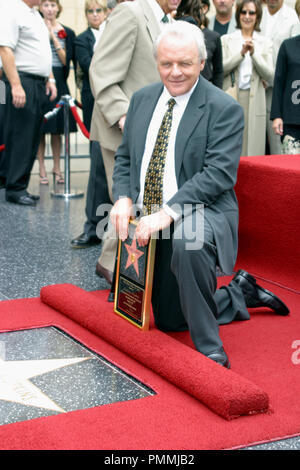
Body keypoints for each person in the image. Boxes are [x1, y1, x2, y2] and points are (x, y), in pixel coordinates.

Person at [109, 21, 289, 367]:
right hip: (151, 215)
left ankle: (209, 345)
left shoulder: (223, 108)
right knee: (171, 319)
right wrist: (122, 197)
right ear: (156, 61)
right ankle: (238, 293)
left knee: (187, 241)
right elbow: (126, 157)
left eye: (185, 64)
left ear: (202, 62)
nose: (175, 72)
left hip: (202, 210)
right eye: (166, 63)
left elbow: (218, 175)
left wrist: (169, 212)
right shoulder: (142, 99)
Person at [89, 0, 182, 286]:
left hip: (152, 131)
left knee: (132, 201)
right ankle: (112, 265)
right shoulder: (130, 13)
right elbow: (101, 70)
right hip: (122, 129)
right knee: (127, 199)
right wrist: (122, 116)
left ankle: (111, 264)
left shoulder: (165, 21)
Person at [0, 0, 57, 206]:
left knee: (32, 136)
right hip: (22, 80)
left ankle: (20, 184)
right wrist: (15, 85)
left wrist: (50, 79)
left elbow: (42, 50)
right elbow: (5, 49)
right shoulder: (10, 9)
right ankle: (14, 188)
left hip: (37, 82)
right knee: (21, 135)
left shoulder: (34, 14)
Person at [71, 0, 111, 249]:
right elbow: (89, 65)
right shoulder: (84, 38)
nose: (95, 14)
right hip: (98, 100)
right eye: (91, 10)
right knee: (98, 164)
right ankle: (94, 226)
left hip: (133, 100)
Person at [221, 0, 273, 156]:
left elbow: (269, 74)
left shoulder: (265, 42)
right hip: (232, 96)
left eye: (252, 13)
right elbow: (221, 69)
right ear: (238, 15)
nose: (247, 16)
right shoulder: (226, 39)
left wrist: (254, 53)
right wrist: (241, 54)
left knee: (254, 149)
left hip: (256, 98)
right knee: (231, 146)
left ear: (257, 16)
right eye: (243, 12)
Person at [37, 0, 77, 185]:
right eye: (46, 5)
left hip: (59, 80)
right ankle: (42, 169)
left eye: (53, 5)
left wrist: (53, 37)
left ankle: (57, 168)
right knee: (41, 129)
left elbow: (65, 61)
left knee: (57, 130)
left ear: (58, 8)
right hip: (41, 79)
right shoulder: (34, 27)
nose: (50, 9)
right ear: (40, 8)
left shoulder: (66, 32)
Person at [259, 0, 298, 155]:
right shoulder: (257, 14)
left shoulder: (292, 17)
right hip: (258, 85)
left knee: (277, 148)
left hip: (285, 93)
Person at [175, 0, 223, 88]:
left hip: (205, 88)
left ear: (204, 9)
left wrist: (217, 94)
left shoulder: (213, 37)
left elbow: (218, 71)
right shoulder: (172, 32)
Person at [270, 34, 300, 154]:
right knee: (292, 167)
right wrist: (277, 116)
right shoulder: (288, 45)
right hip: (292, 120)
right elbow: (279, 82)